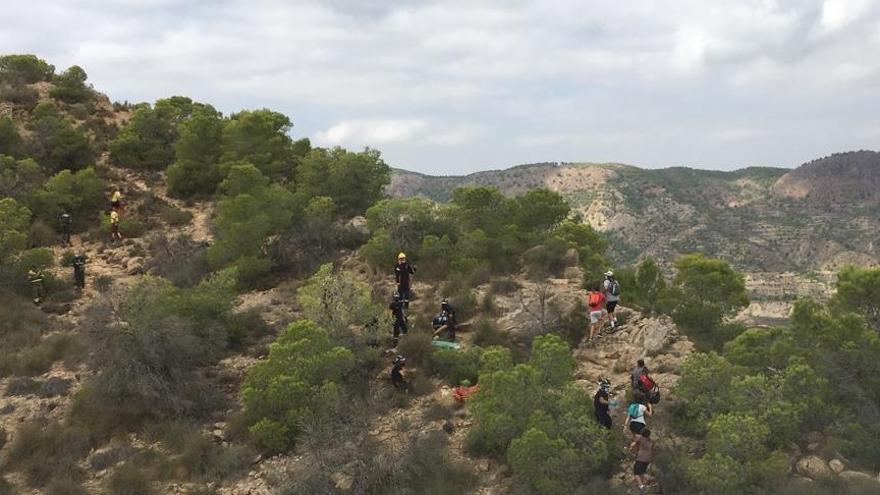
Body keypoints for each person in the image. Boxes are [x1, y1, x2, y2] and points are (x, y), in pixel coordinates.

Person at [630, 428, 654, 495]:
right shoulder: (650, 441)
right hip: (647, 459)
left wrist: (631, 447)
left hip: (641, 458)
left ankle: (641, 486)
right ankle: (642, 490)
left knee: (636, 473)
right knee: (642, 472)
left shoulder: (641, 438)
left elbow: (633, 444)